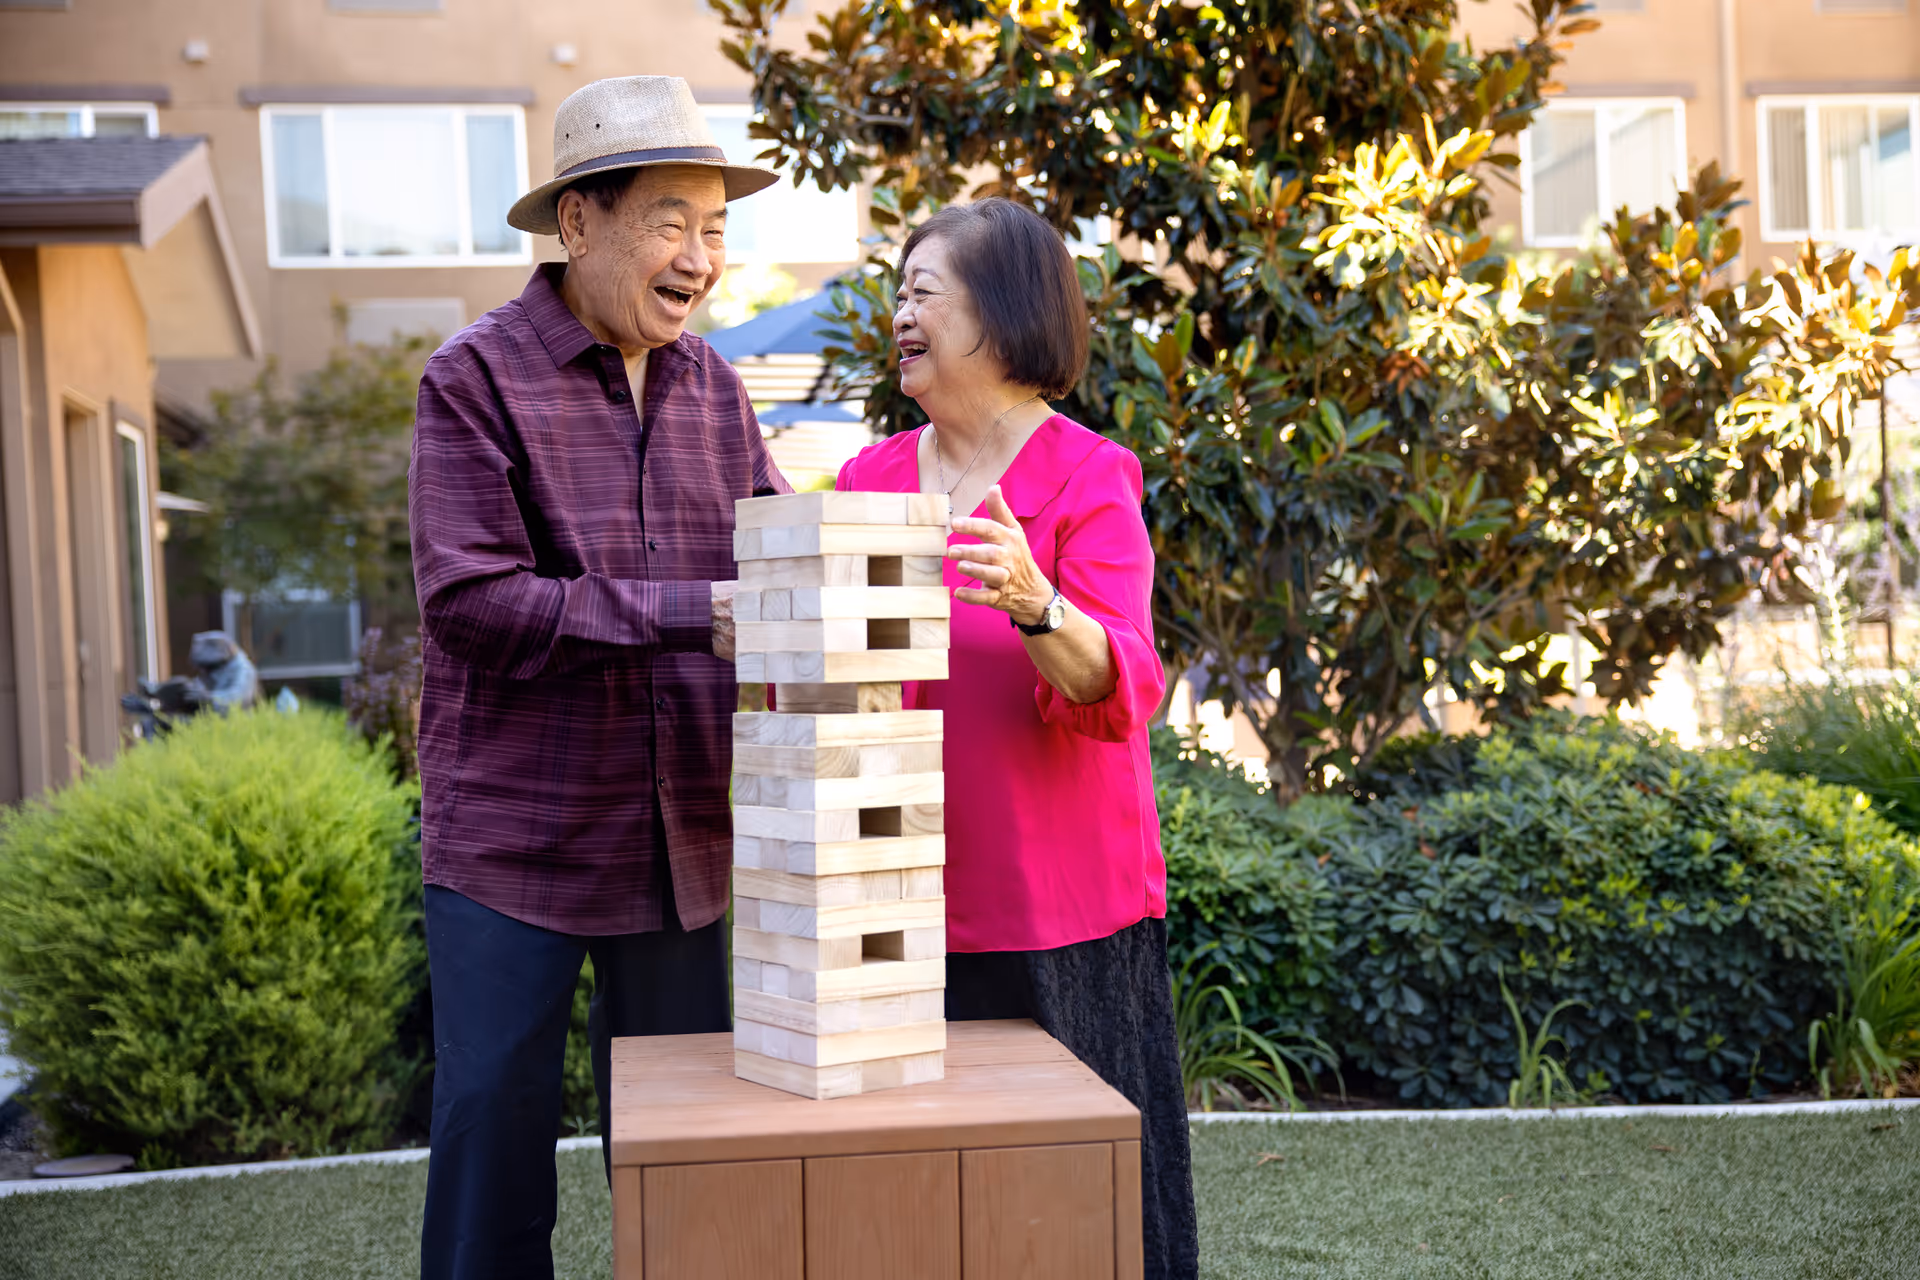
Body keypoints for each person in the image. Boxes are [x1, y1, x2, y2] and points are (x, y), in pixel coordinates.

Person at [407, 76, 788, 1279]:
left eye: (717, 227)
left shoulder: (718, 388)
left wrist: (855, 586)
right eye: (671, 222)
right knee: (493, 1158)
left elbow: (776, 556)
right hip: (515, 847)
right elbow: (471, 604)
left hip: (683, 841)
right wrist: (695, 614)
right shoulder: (471, 379)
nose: (701, 258)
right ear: (579, 224)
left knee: (685, 1171)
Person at [835, 198, 1199, 1279]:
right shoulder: (868, 483)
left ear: (1001, 313)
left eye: (922, 290)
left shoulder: (1088, 476)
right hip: (898, 910)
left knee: (1079, 1220)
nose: (899, 311)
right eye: (897, 291)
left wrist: (1040, 605)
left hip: (1062, 919)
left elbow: (1121, 681)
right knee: (924, 1221)